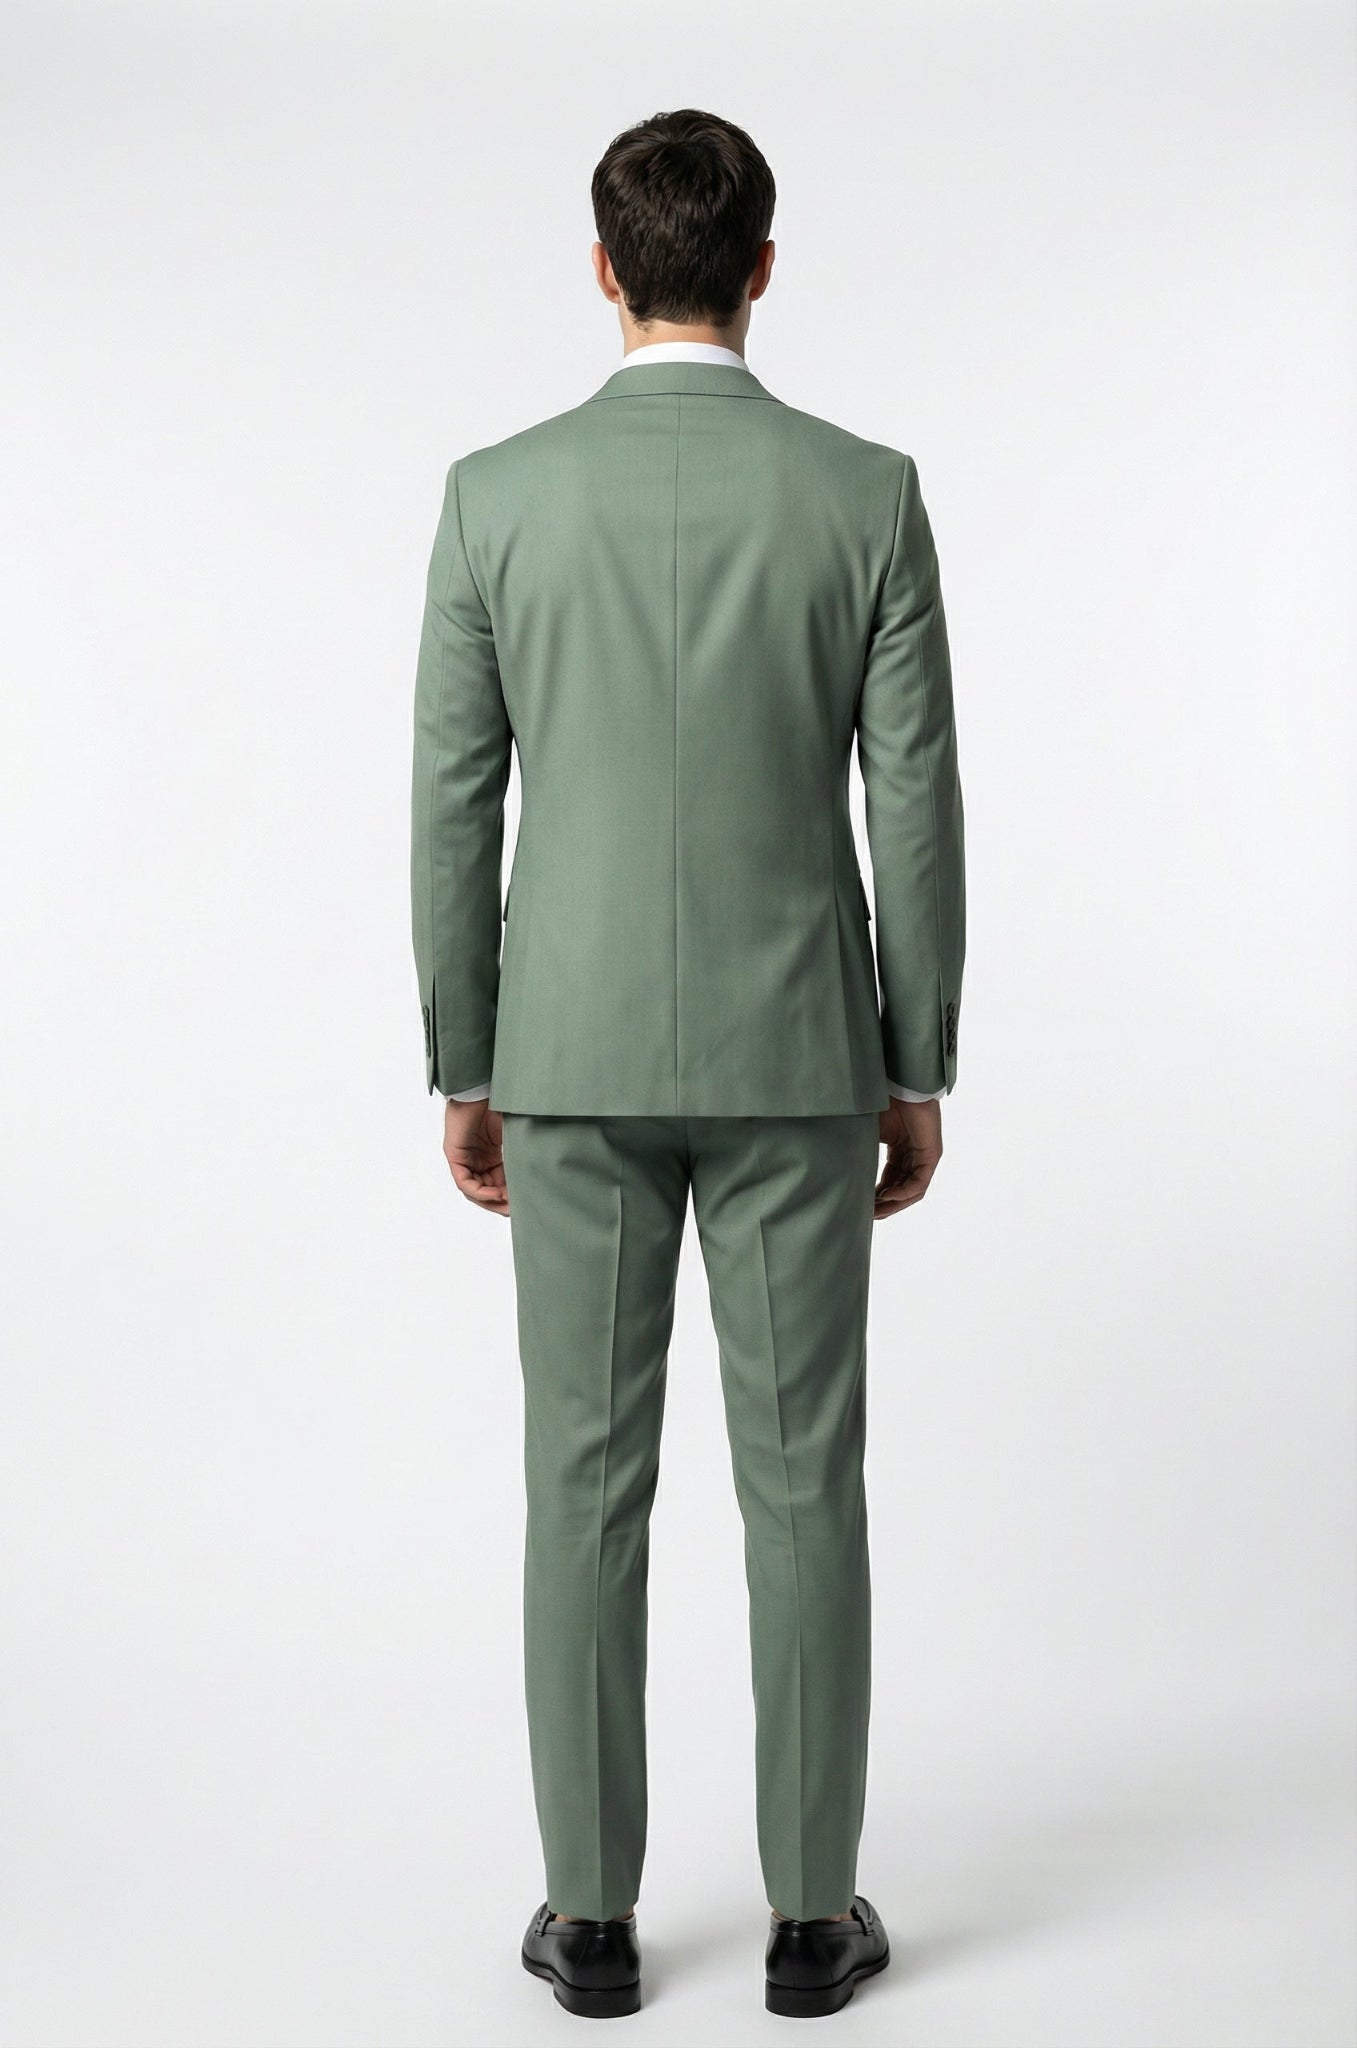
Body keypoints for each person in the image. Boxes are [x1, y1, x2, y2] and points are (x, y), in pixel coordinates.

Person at [409, 106, 965, 2020]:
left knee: (581, 1487)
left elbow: (452, 803)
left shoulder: (495, 497)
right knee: (806, 1489)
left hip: (562, 1056)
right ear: (761, 269)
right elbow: (913, 804)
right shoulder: (864, 495)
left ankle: (588, 1922)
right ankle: (811, 1921)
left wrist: (465, 1057)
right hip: (800, 1055)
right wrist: (913, 1057)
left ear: (602, 270)